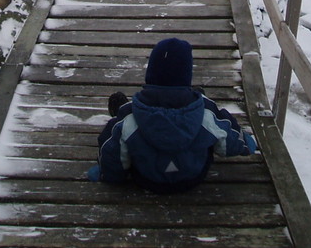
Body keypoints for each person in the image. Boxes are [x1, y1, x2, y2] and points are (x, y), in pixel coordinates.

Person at [87, 37, 257, 193]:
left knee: (123, 123)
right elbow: (232, 139)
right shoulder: (207, 112)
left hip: (147, 180)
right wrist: (248, 142)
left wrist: (105, 174)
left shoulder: (129, 118)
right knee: (208, 120)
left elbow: (112, 157)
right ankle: (190, 96)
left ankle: (121, 108)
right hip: (192, 179)